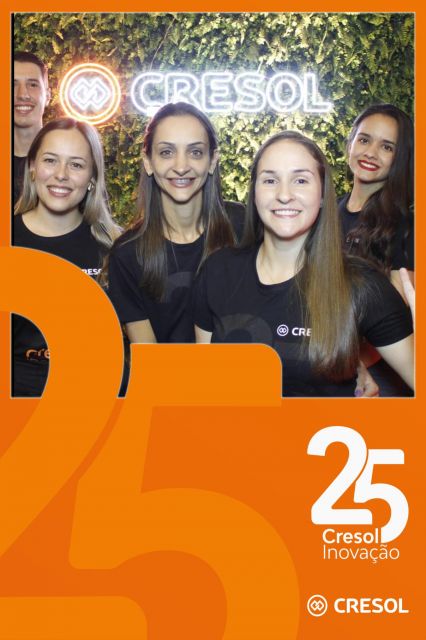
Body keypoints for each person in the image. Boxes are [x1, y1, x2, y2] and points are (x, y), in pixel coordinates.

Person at [194, 131, 414, 397]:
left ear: (322, 194)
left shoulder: (362, 285)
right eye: (270, 180)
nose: (284, 195)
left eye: (300, 180)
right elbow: (205, 384)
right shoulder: (218, 271)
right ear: (254, 193)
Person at [107, 101, 244, 344]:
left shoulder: (243, 226)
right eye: (166, 152)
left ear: (212, 160)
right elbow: (148, 356)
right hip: (164, 370)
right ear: (148, 162)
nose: (181, 167)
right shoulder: (127, 254)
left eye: (195, 152)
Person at [13, 117, 121, 396]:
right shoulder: (7, 242)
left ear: (92, 178)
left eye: (76, 165)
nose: (61, 174)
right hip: (17, 405)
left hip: (96, 400)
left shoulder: (114, 248)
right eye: (50, 160)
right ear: (32, 167)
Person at [339, 104, 414, 395]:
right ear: (351, 143)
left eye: (387, 147)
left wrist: (352, 363)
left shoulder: (406, 228)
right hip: (327, 366)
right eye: (364, 140)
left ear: (400, 157)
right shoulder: (323, 215)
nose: (370, 153)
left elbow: (396, 321)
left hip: (379, 377)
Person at [14, 52, 51, 205]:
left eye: (33, 85)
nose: (22, 95)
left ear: (48, 96)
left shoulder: (69, 159)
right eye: (12, 84)